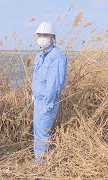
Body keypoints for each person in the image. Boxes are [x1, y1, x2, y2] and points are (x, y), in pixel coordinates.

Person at [32, 22, 67, 163]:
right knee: (38, 131)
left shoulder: (56, 56)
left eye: (45, 35)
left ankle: (41, 165)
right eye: (39, 35)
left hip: (48, 102)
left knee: (42, 134)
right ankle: (39, 161)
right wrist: (34, 94)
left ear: (52, 37)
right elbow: (37, 78)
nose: (42, 38)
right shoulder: (40, 56)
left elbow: (55, 83)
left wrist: (48, 103)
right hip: (38, 100)